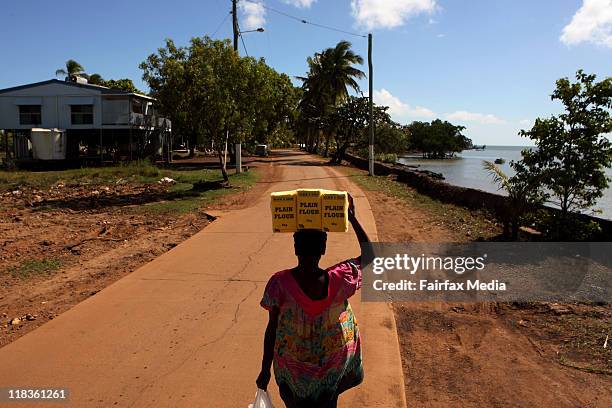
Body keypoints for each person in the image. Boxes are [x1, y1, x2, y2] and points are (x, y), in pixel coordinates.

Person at [256, 194, 371, 408]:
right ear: (323, 249)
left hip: (292, 372)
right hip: (330, 369)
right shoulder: (341, 278)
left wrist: (264, 369)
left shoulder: (278, 283)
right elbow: (371, 256)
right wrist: (352, 218)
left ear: (296, 249)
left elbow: (271, 329)